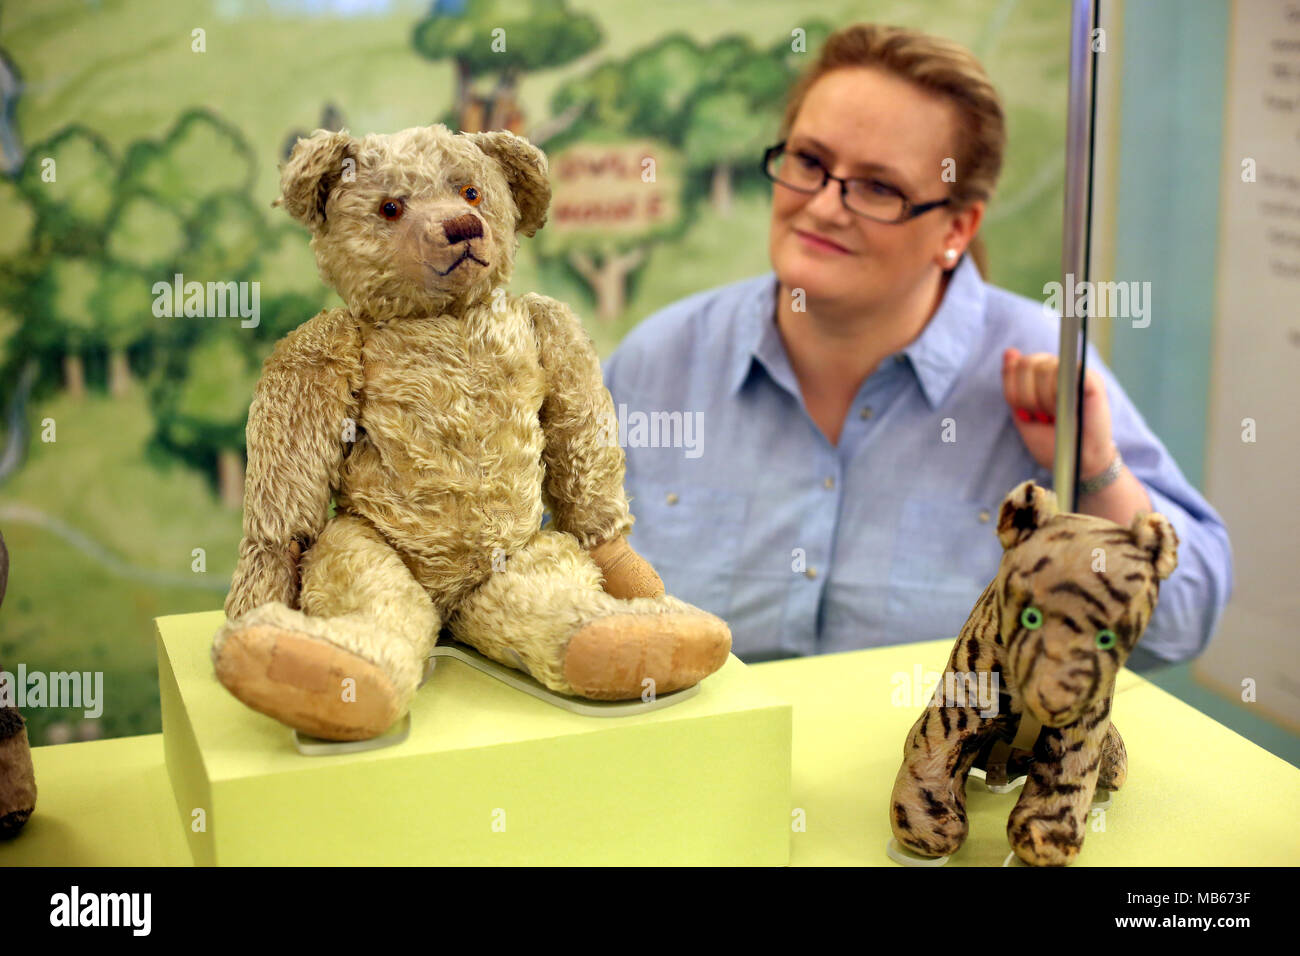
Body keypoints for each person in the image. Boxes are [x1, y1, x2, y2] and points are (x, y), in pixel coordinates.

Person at [599, 23, 1232, 667]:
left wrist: (1094, 471)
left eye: (879, 187)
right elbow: (544, 584)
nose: (821, 207)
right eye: (809, 162)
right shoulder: (660, 361)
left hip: (939, 766)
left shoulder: (1042, 366)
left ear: (956, 228)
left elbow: (1180, 626)